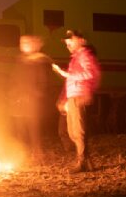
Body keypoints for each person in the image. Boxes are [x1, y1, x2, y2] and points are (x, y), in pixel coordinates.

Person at [52, 29, 101, 172]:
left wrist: (66, 74)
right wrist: (66, 98)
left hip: (79, 95)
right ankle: (87, 161)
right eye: (66, 44)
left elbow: (90, 73)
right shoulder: (76, 57)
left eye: (70, 42)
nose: (68, 46)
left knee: (78, 131)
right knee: (72, 131)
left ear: (80, 40)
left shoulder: (84, 55)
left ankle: (82, 162)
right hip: (74, 95)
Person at [8, 34, 52, 161]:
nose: (23, 45)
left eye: (26, 43)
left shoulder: (38, 61)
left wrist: (35, 93)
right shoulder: (20, 59)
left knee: (33, 128)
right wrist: (13, 93)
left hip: (32, 101)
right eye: (22, 43)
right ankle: (22, 154)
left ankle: (37, 154)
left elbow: (43, 81)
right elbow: (14, 78)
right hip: (19, 100)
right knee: (20, 127)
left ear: (33, 45)